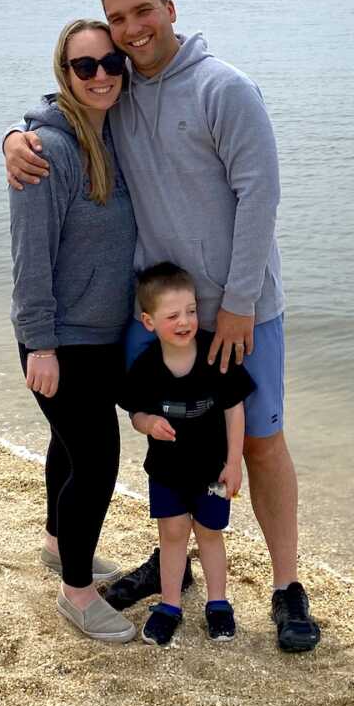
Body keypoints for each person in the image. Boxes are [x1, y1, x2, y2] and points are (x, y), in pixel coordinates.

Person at [5, 0, 321, 652]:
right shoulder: (118, 93)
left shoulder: (225, 88)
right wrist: (15, 135)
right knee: (168, 439)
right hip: (157, 314)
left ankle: (286, 587)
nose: (131, 30)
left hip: (241, 311)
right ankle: (170, 561)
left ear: (170, 9)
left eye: (142, 12)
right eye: (118, 21)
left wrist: (237, 303)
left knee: (261, 444)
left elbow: (260, 196)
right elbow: (63, 108)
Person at [9, 17, 137, 643]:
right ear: (65, 74)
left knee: (68, 446)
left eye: (111, 62)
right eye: (85, 66)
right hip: (60, 336)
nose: (102, 75)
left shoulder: (117, 133)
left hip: (106, 334)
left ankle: (60, 548)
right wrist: (40, 343)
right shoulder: (47, 151)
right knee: (98, 461)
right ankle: (78, 596)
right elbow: (30, 254)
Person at [120, 263, 255, 646]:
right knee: (173, 534)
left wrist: (233, 463)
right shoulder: (145, 366)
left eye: (192, 311)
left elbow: (235, 409)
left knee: (211, 534)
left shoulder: (216, 355)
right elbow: (135, 414)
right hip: (165, 471)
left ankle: (218, 603)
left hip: (213, 469)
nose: (185, 321)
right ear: (149, 322)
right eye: (173, 315)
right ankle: (170, 605)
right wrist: (148, 424)